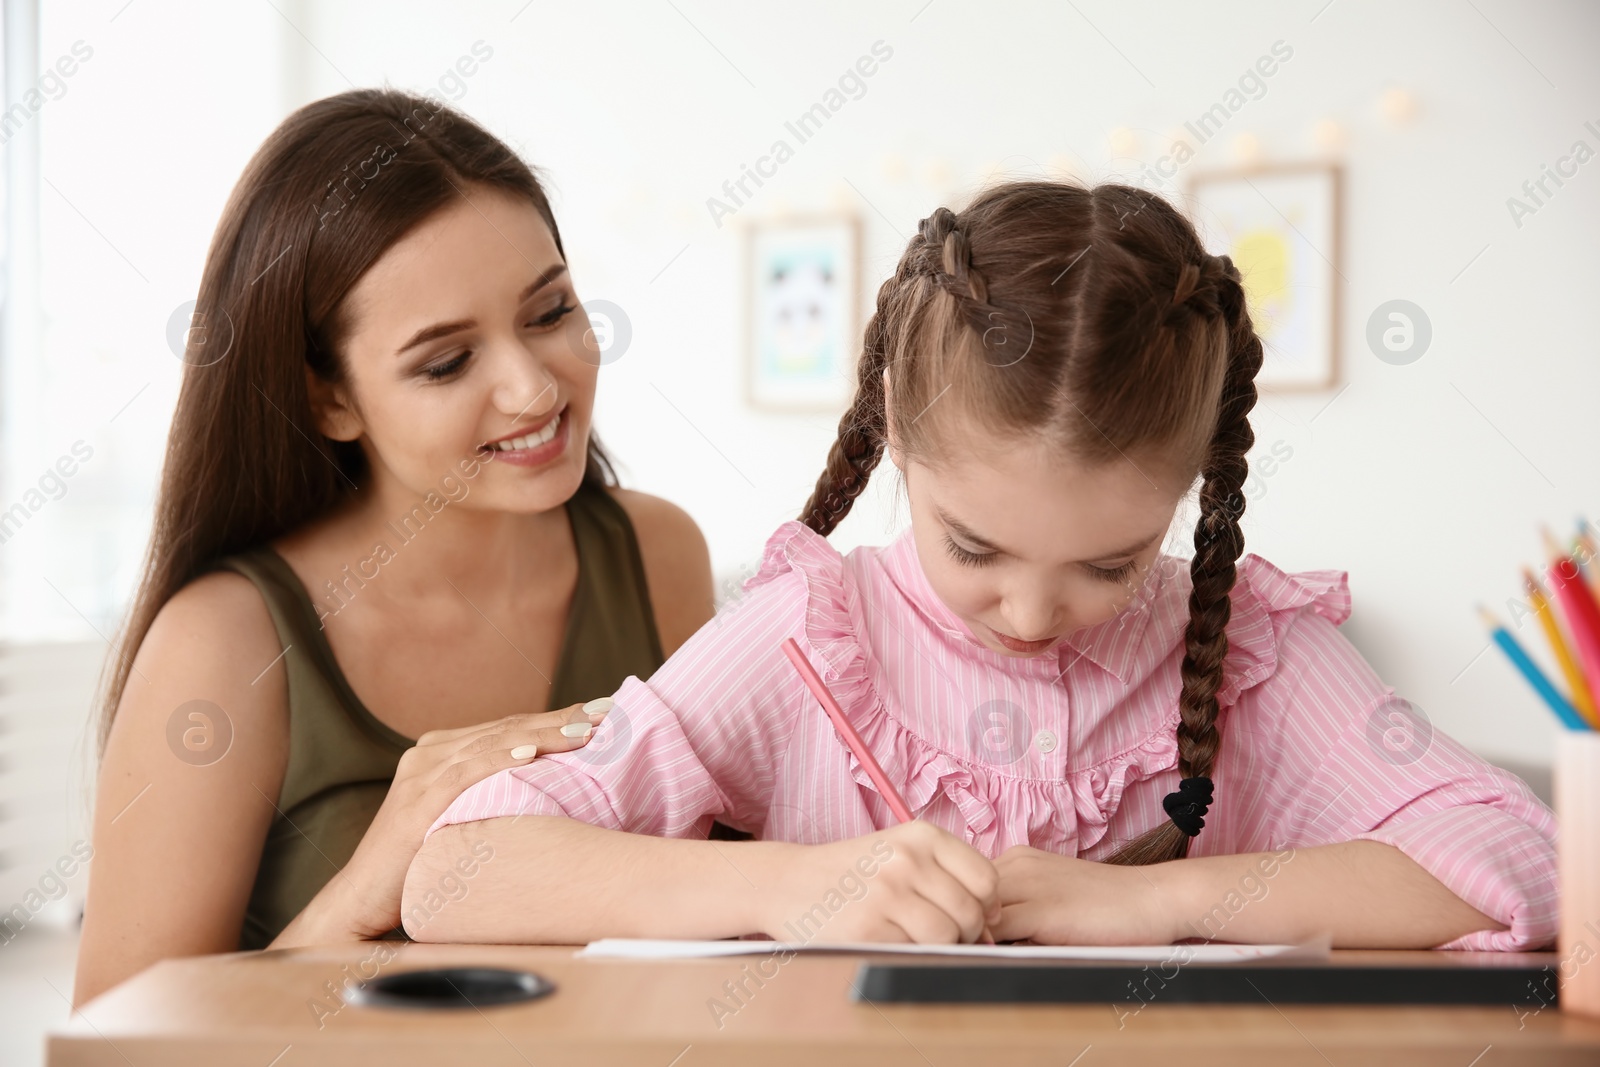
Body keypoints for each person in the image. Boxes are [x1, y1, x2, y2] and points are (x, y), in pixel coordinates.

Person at [402, 180, 1556, 951]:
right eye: (973, 546)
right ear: (895, 426)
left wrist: (1153, 899)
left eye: (1109, 562)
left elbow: (1530, 860)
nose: (1032, 609)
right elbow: (455, 876)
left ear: (1190, 485)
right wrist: (797, 887)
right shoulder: (811, 635)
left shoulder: (1250, 647)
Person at [72, 88, 714, 1006]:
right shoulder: (225, 643)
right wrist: (378, 874)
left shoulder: (658, 555)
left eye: (549, 311)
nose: (535, 388)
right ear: (329, 399)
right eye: (447, 362)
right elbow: (118, 1048)